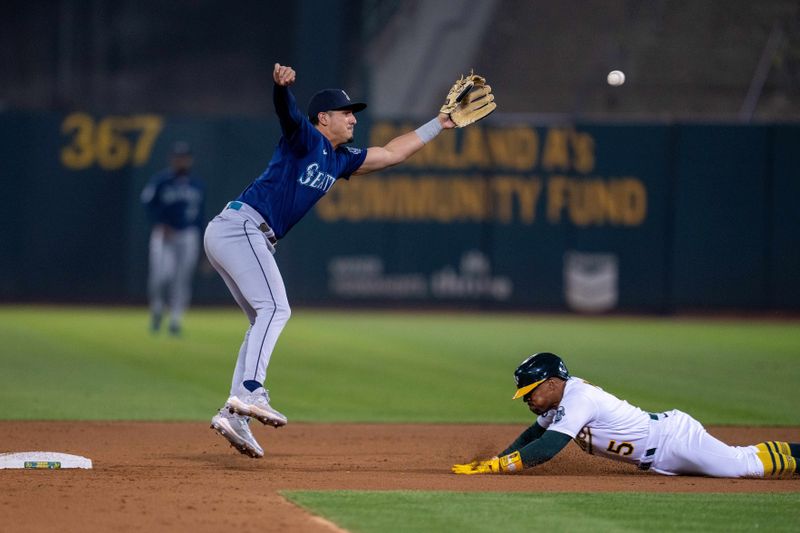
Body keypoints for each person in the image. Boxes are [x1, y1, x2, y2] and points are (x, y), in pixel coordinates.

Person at [205, 63, 460, 458]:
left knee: (263, 316)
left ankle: (234, 414)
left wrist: (438, 123)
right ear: (324, 118)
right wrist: (280, 88)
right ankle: (250, 392)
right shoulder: (306, 138)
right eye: (346, 113)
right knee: (276, 309)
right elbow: (287, 115)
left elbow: (392, 153)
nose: (353, 119)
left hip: (239, 232)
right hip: (241, 227)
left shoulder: (339, 159)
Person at [452, 352, 799, 478]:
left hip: (673, 441)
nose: (528, 400)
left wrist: (498, 468)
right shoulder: (560, 402)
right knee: (744, 457)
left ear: (554, 383)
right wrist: (498, 459)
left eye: (531, 392)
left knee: (744, 465)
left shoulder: (579, 398)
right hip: (662, 454)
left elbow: (546, 449)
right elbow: (532, 436)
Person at [140, 141, 206, 336]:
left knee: (182, 279)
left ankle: (176, 319)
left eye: (184, 157)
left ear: (190, 160)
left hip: (188, 234)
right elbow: (147, 204)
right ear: (172, 159)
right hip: (164, 233)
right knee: (160, 276)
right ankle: (158, 309)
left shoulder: (197, 185)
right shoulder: (160, 181)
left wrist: (204, 245)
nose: (181, 161)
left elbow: (200, 215)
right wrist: (159, 223)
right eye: (178, 157)